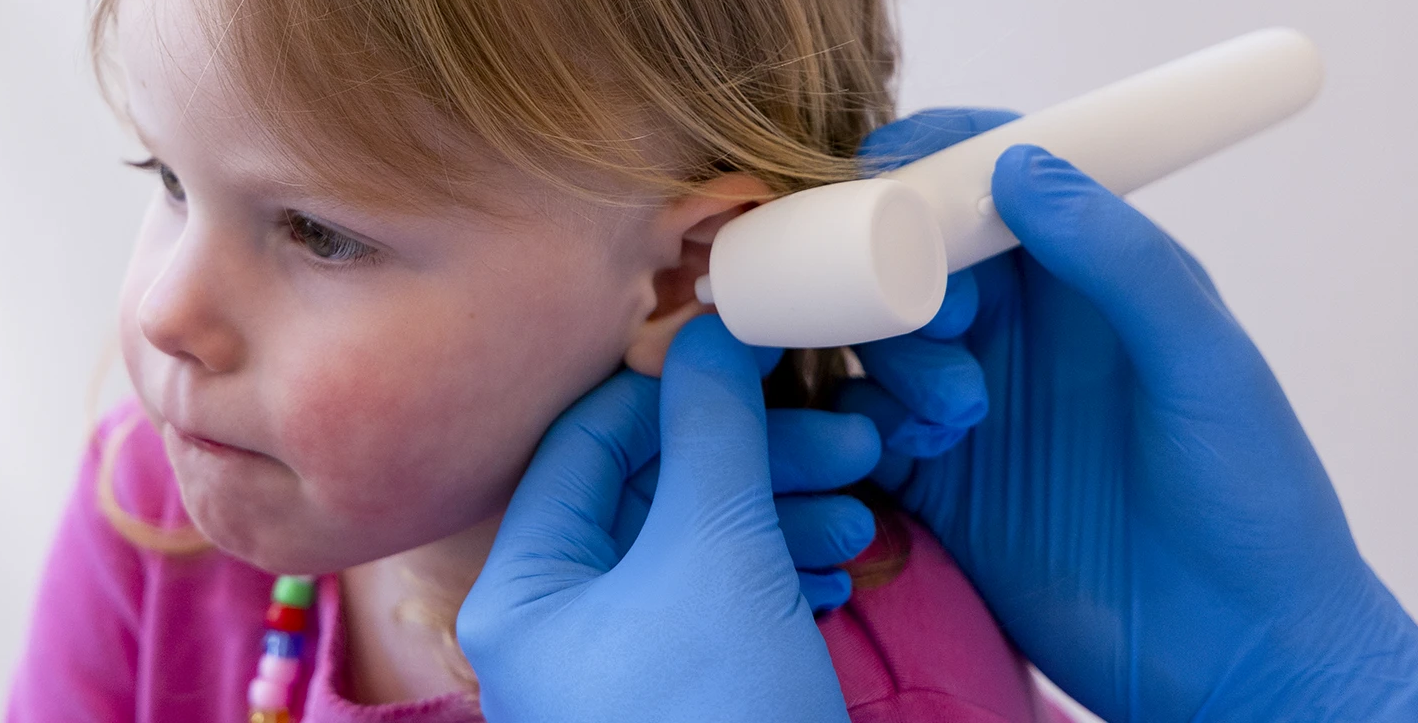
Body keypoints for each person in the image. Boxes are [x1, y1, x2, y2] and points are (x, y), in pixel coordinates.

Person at [8, 0, 1078, 722]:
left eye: (319, 234)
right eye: (170, 181)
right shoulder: (154, 509)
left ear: (686, 275)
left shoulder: (861, 694)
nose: (166, 313)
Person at [461, 116, 1418, 721]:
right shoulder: (329, 557)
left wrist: (1317, 683)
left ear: (682, 273)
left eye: (328, 236)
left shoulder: (886, 690)